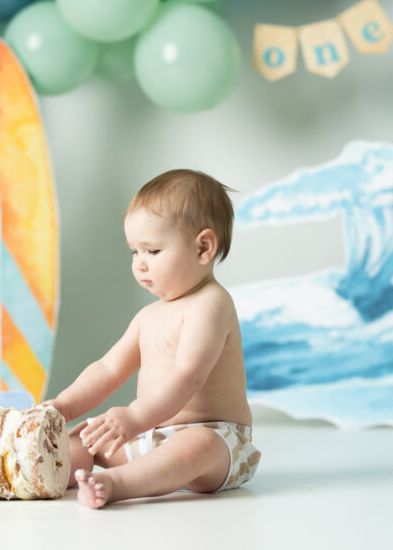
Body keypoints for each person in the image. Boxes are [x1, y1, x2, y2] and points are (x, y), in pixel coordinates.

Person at [42, 169, 260, 509]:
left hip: (217, 443)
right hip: (148, 435)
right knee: (83, 437)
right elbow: (109, 368)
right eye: (134, 252)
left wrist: (133, 418)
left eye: (152, 251)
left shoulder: (211, 304)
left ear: (203, 247)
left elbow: (189, 376)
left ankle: (116, 484)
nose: (140, 265)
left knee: (195, 446)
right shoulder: (148, 317)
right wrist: (63, 406)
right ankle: (45, 471)